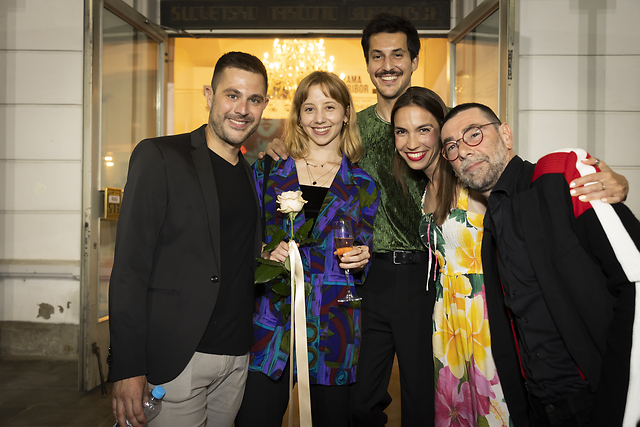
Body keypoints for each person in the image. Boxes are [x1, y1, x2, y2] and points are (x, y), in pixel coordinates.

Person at [262, 13, 629, 427]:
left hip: (429, 279)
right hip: (370, 275)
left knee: (428, 393)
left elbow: (504, 173)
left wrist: (606, 181)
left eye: (397, 54)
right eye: (377, 56)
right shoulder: (353, 126)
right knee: (363, 399)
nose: (387, 65)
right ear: (367, 64)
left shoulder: (449, 125)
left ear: (414, 61)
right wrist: (282, 145)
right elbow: (315, 156)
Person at [439, 102, 640, 427]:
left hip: (600, 397)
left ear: (506, 134)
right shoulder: (489, 228)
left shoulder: (560, 175)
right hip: (541, 405)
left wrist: (621, 402)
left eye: (473, 134)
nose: (462, 150)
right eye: (451, 146)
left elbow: (634, 276)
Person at [108, 51, 269, 427]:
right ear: (209, 95)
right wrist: (128, 366)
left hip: (236, 357)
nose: (242, 109)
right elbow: (130, 267)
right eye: (232, 95)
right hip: (178, 359)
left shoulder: (252, 174)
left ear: (264, 105)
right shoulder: (161, 156)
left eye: (254, 99)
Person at [234, 71, 379, 427]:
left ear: (346, 113)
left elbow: (365, 249)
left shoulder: (362, 184)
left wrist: (364, 258)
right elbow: (243, 239)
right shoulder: (268, 170)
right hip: (271, 323)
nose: (319, 118)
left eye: (329, 107)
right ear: (298, 116)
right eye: (309, 108)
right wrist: (264, 253)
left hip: (333, 326)